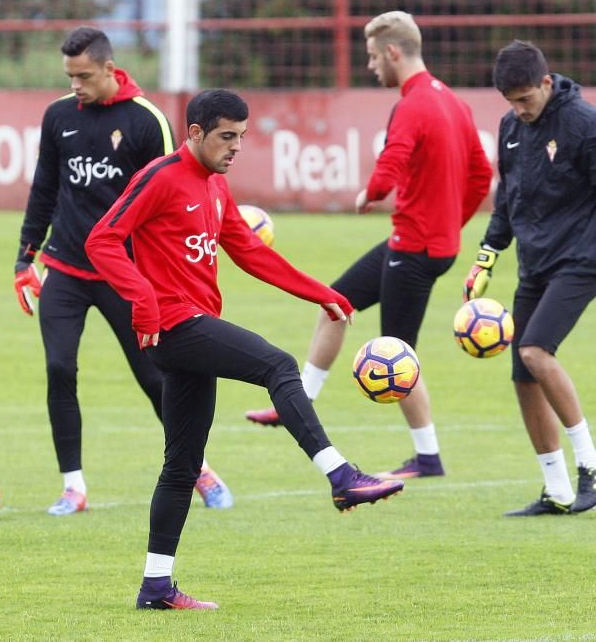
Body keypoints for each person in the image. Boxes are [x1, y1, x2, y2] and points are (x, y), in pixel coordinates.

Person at [86, 89, 404, 610]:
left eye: (241, 136)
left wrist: (321, 292)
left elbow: (252, 253)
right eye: (226, 137)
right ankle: (341, 476)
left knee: (181, 466)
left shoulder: (215, 186)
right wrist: (142, 300)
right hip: (174, 325)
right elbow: (102, 239)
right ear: (194, 133)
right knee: (278, 365)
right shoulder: (161, 177)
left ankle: (155, 587)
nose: (236, 147)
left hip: (192, 327)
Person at [245, 11, 493, 480]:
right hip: (424, 241)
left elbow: (392, 160)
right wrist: (451, 224)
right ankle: (297, 403)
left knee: (397, 355)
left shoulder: (414, 104)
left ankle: (428, 458)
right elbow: (481, 173)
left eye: (373, 57)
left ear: (394, 53)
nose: (371, 66)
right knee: (334, 302)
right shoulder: (452, 101)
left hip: (414, 248)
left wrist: (370, 194)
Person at [14, 26, 233, 515]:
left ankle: (197, 466)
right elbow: (43, 189)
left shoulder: (146, 121)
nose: (75, 85)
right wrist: (24, 259)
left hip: (128, 274)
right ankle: (73, 486)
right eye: (69, 76)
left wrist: (165, 280)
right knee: (58, 368)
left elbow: (175, 196)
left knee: (156, 379)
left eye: (84, 75)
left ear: (110, 69)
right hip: (66, 269)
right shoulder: (57, 117)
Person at [466, 40, 596, 516]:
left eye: (525, 99)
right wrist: (485, 258)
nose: (519, 110)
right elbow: (508, 200)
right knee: (523, 374)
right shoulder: (510, 127)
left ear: (546, 83)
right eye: (510, 102)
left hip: (582, 258)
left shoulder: (583, 123)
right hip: (535, 263)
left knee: (535, 350)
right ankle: (557, 489)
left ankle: (591, 466)